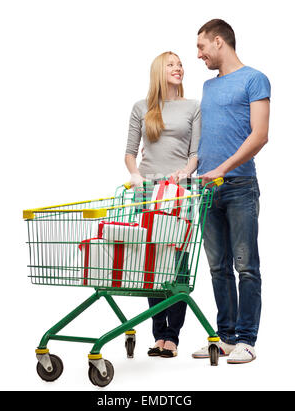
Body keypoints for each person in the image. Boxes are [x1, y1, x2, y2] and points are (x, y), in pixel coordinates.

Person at [192, 19, 270, 363]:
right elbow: (205, 141)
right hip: (207, 192)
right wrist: (190, 170)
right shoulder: (208, 88)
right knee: (217, 267)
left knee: (246, 265)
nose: (199, 55)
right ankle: (225, 338)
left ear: (219, 41)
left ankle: (246, 339)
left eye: (201, 47)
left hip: (239, 186)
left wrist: (222, 169)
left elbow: (260, 135)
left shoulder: (255, 79)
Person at [124, 51, 201, 357]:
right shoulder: (141, 107)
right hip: (148, 191)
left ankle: (173, 335)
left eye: (180, 64)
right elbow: (130, 151)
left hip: (180, 191)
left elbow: (195, 152)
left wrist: (186, 172)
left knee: (179, 263)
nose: (178, 68)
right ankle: (158, 333)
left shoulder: (193, 107)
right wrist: (134, 174)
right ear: (158, 70)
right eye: (171, 64)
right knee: (153, 262)